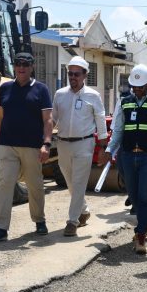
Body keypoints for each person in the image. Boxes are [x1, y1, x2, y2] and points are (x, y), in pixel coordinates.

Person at [0, 52, 53, 243]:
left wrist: (46, 144)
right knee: (5, 184)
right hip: (7, 145)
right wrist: (0, 140)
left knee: (35, 185)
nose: (21, 67)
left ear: (32, 67)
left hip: (32, 146)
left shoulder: (41, 89)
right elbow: (0, 116)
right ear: (14, 66)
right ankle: (0, 228)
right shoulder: (5, 88)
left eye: (25, 64)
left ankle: (39, 220)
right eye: (18, 64)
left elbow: (48, 120)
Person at [105, 64, 147, 255]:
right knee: (133, 194)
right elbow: (119, 129)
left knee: (145, 196)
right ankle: (145, 223)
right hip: (128, 155)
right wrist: (109, 150)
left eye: (141, 86)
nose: (137, 90)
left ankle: (140, 236)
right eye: (134, 87)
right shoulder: (124, 101)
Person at [52, 56, 108, 237]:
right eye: (70, 73)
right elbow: (52, 119)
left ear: (85, 75)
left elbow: (100, 119)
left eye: (77, 74)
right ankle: (83, 210)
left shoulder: (93, 95)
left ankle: (72, 221)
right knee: (70, 182)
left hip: (84, 143)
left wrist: (103, 146)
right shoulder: (60, 94)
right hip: (63, 144)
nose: (73, 77)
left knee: (78, 182)